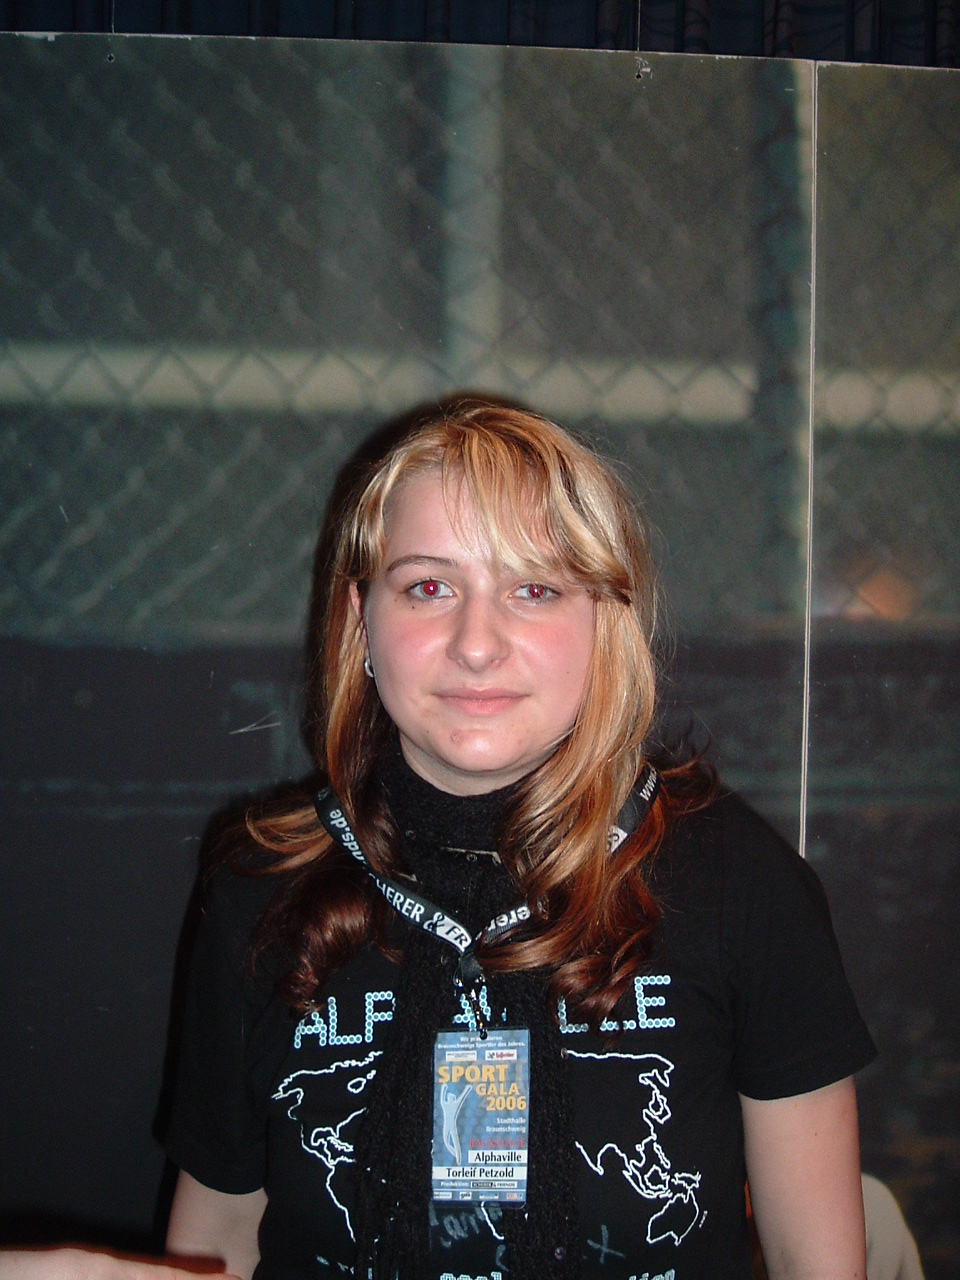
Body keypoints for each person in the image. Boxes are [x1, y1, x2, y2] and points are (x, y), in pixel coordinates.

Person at [161, 401, 877, 1280]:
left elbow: (817, 1259)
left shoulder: (741, 884)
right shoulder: (261, 886)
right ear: (360, 619)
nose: (476, 644)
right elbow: (216, 1241)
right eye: (429, 587)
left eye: (533, 589)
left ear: (603, 620)